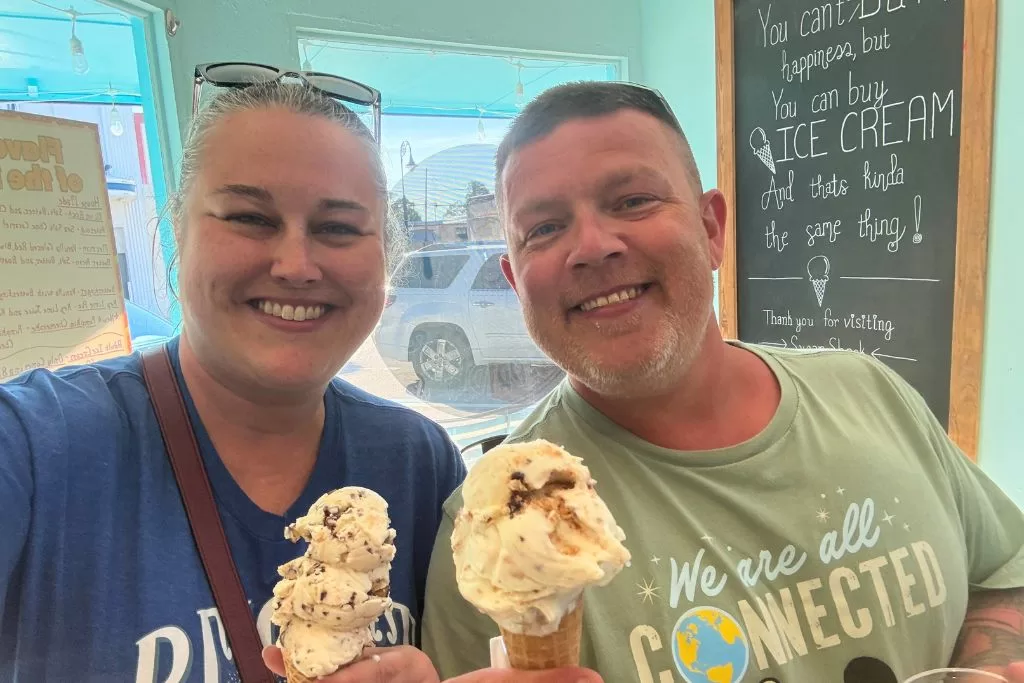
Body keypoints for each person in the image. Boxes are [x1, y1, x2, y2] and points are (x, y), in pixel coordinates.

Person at [421, 82, 1024, 682]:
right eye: (544, 229)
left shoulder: (871, 392)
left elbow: (1005, 570)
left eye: (632, 201)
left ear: (712, 229)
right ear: (515, 280)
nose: (593, 246)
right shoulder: (486, 531)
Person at [0, 76, 465, 682]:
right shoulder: (32, 446)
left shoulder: (418, 463)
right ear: (178, 231)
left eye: (339, 228)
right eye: (249, 217)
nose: (296, 266)